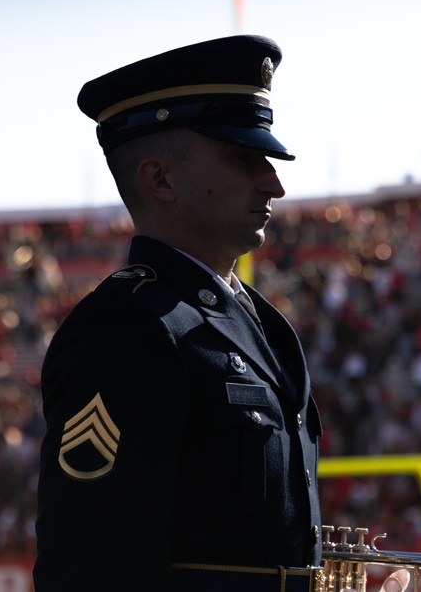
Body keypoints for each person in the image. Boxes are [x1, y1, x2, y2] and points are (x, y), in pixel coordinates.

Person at [34, 35, 325, 591]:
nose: (274, 182)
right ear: (159, 178)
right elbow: (91, 567)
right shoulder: (127, 329)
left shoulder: (255, 320)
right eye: (244, 156)